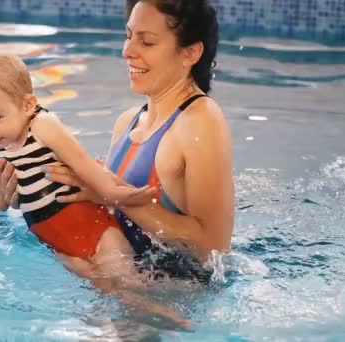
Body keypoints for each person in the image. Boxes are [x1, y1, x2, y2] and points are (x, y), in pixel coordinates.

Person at [0, 50, 190, 327]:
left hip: (96, 229)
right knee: (107, 294)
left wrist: (121, 196)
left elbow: (88, 168)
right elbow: (0, 202)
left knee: (129, 284)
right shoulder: (4, 147)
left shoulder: (43, 126)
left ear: (28, 104)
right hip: (61, 246)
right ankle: (147, 320)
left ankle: (174, 318)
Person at [36, 0, 235, 284]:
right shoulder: (128, 122)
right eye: (129, 36)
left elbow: (212, 250)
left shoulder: (200, 120)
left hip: (177, 301)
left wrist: (111, 193)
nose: (127, 51)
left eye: (148, 42)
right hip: (125, 283)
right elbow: (116, 221)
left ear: (190, 52)